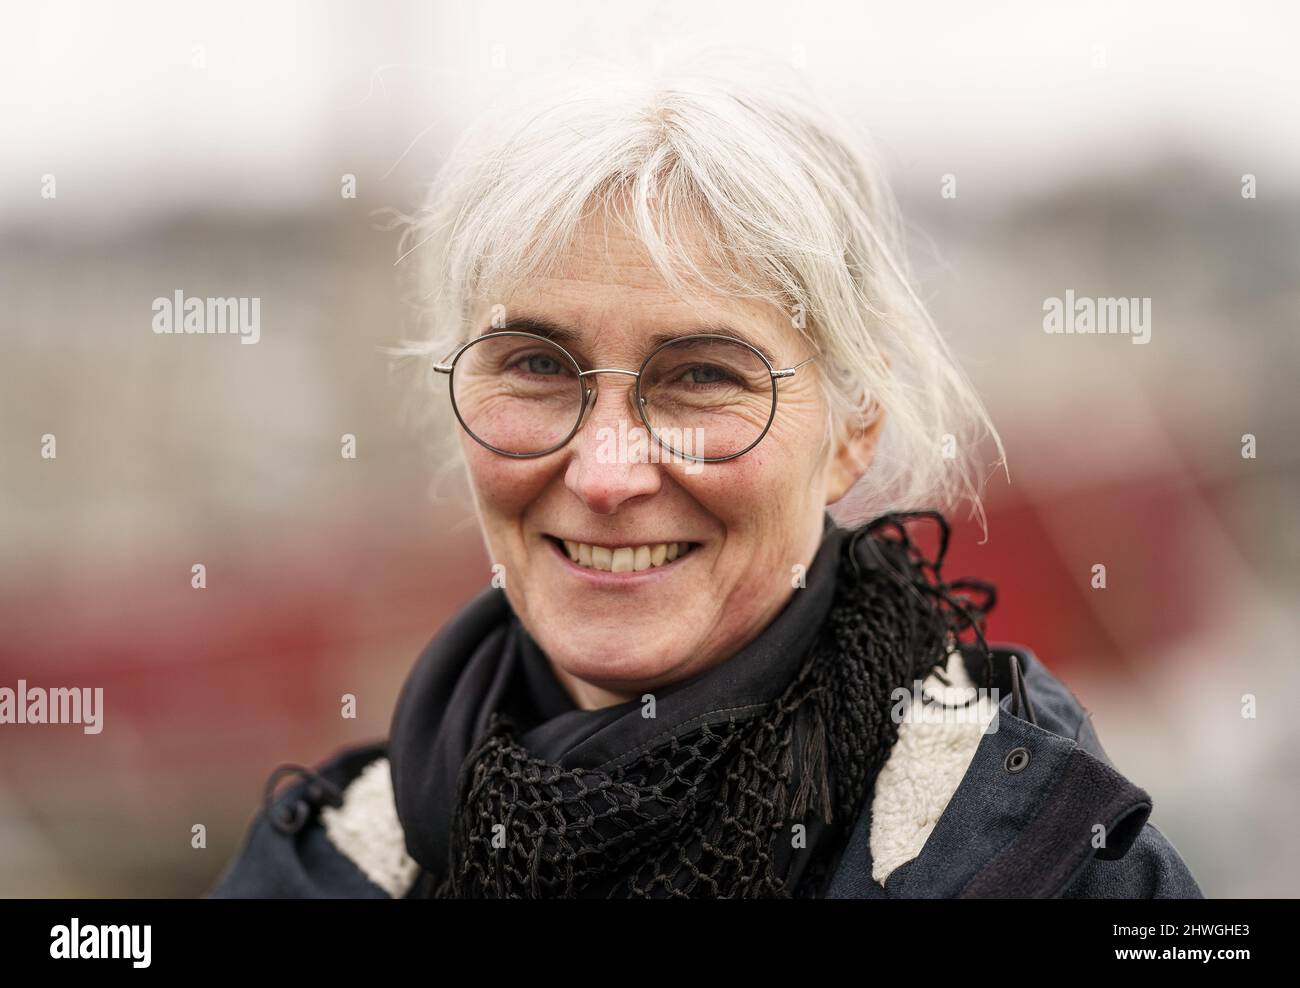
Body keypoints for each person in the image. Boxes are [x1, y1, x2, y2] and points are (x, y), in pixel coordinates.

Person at [208, 52, 1202, 899]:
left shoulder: (1034, 859)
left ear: (853, 429)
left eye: (698, 378)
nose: (604, 474)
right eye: (539, 366)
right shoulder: (328, 863)